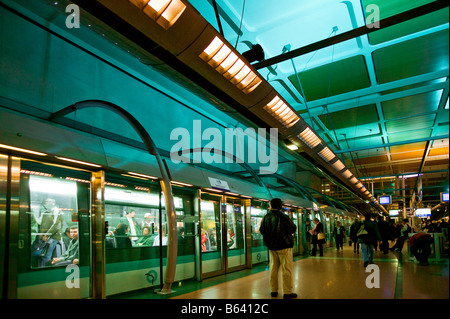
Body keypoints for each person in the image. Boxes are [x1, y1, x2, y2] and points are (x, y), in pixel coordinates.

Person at [260, 198, 297, 299]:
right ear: (280, 206)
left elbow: (262, 231)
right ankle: (287, 292)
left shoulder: (266, 217)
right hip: (284, 246)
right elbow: (293, 228)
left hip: (272, 247)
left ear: (271, 205)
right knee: (286, 269)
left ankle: (273, 291)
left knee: (273, 268)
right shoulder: (283, 217)